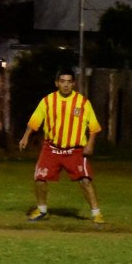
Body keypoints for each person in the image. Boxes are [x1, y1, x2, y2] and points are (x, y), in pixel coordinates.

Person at [19, 70, 104, 224]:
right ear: (56, 83)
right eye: (62, 81)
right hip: (51, 148)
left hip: (75, 150)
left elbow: (94, 127)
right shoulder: (47, 101)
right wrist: (25, 136)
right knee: (39, 178)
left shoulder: (83, 102)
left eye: (69, 81)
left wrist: (90, 145)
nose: (65, 84)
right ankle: (42, 210)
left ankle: (96, 214)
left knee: (85, 180)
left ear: (73, 84)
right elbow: (35, 120)